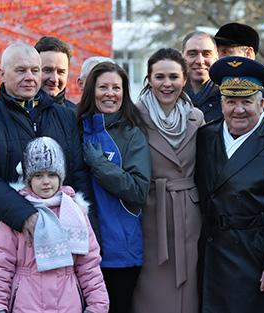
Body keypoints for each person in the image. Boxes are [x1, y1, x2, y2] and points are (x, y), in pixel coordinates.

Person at [0, 42, 93, 298]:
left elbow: (79, 178)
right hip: (9, 245)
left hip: (64, 249)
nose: (30, 77)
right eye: (21, 70)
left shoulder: (65, 117)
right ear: (2, 73)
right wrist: (26, 216)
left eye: (35, 70)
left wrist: (89, 233)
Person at [195, 56, 264, 313]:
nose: (238, 110)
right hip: (212, 255)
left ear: (261, 103)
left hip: (257, 258)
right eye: (231, 101)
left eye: (246, 101)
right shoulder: (205, 136)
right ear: (221, 103)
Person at [0, 137, 109, 313]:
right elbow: (0, 267)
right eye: (38, 175)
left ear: (60, 177)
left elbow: (89, 266)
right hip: (26, 304)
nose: (46, 181)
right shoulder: (17, 214)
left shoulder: (75, 213)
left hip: (68, 304)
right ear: (28, 179)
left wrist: (97, 306)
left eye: (51, 175)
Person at [132, 48, 205, 313]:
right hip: (151, 212)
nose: (167, 84)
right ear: (149, 79)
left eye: (173, 76)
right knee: (152, 289)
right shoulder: (135, 117)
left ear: (184, 79)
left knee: (188, 292)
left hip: (189, 213)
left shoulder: (196, 117)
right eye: (159, 76)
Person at [76, 62, 151, 313]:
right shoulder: (74, 126)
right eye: (103, 87)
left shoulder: (132, 134)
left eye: (116, 88)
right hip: (79, 249)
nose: (110, 93)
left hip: (119, 250)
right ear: (90, 90)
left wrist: (99, 164)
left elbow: (139, 190)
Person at [214, 22, 264, 127]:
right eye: (217, 52)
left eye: (226, 52)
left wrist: (260, 106)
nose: (218, 58)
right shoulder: (213, 91)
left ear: (248, 53)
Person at [182, 31, 221, 123]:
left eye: (207, 54)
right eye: (192, 54)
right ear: (182, 57)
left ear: (216, 57)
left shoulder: (228, 97)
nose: (200, 61)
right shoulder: (169, 94)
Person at [34, 36, 76, 110]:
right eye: (47, 70)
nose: (54, 79)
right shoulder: (19, 112)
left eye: (61, 72)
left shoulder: (76, 116)